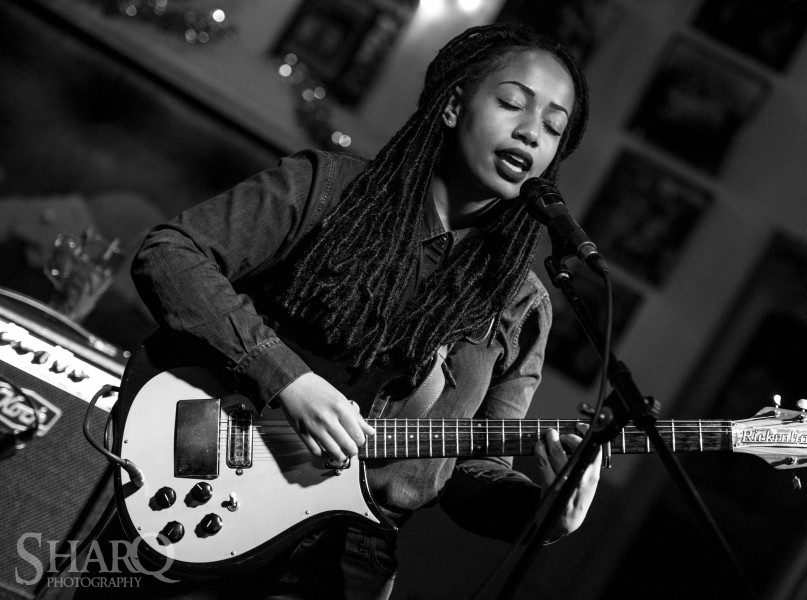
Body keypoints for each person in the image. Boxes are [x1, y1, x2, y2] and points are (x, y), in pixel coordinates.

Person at [121, 22, 603, 600]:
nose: (530, 133)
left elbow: (470, 470)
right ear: (453, 106)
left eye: (553, 128)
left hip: (350, 559)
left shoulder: (520, 302)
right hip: (204, 488)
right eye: (511, 104)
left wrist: (551, 510)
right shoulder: (328, 189)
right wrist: (288, 380)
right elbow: (171, 256)